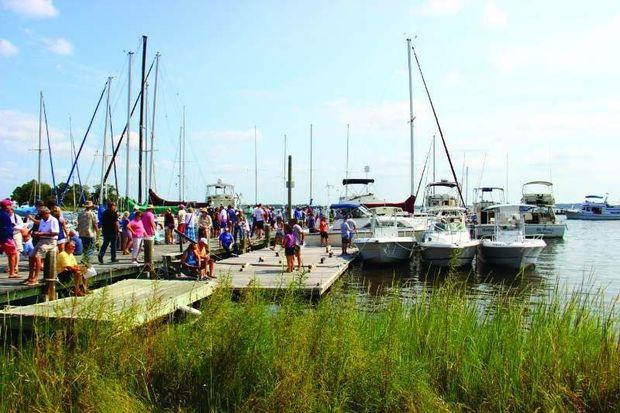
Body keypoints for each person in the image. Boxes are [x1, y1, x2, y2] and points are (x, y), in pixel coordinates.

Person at [24, 206, 58, 285]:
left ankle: (36, 277)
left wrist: (41, 233)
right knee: (31, 255)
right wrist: (35, 233)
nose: (41, 216)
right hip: (42, 240)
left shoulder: (53, 220)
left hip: (50, 241)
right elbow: (40, 230)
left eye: (42, 214)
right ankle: (30, 276)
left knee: (37, 256)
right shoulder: (42, 220)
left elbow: (55, 233)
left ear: (47, 213)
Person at [0, 199, 18, 278]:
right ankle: (12, 273)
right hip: (6, 237)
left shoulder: (2, 214)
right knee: (12, 254)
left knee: (11, 254)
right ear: (6, 206)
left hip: (3, 237)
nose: (11, 207)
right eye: (10, 205)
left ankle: (12, 272)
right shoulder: (5, 215)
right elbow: (5, 228)